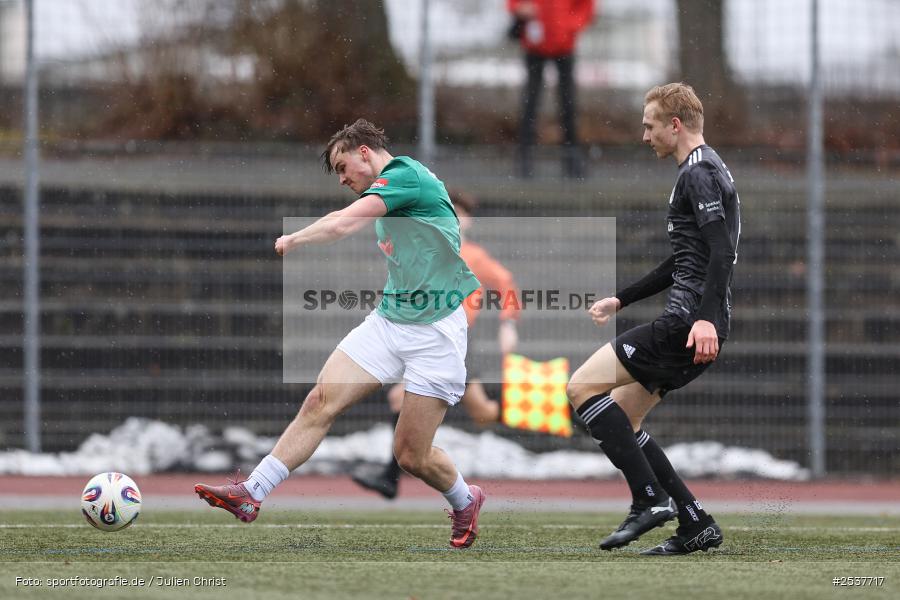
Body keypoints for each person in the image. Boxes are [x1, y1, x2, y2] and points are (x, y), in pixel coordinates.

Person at [195, 119, 487, 549]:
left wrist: (295, 239)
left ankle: (465, 499)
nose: (342, 179)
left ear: (364, 152)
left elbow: (341, 225)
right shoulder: (388, 189)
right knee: (320, 400)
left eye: (342, 166)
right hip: (390, 322)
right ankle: (252, 492)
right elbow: (344, 219)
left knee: (411, 455)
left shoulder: (405, 177)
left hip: (436, 332)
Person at [566, 82, 740, 554]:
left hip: (686, 324)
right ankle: (695, 521)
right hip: (694, 321)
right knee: (624, 416)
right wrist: (622, 299)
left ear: (675, 125)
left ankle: (648, 499)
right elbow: (686, 259)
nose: (645, 136)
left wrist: (705, 319)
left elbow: (722, 251)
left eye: (649, 126)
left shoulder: (698, 173)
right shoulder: (705, 167)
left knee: (581, 387)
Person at [352, 189, 520, 500]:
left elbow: (505, 283)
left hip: (453, 342)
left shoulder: (472, 256)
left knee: (399, 398)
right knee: (483, 412)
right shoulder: (427, 251)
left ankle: (390, 478)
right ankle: (548, 410)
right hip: (432, 339)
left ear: (468, 222)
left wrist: (507, 324)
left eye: (460, 215)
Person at [507, 0, 595, 178]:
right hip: (535, 44)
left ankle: (571, 158)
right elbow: (513, 4)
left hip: (564, 44)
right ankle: (525, 158)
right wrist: (519, 8)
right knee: (530, 103)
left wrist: (568, 26)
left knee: (568, 104)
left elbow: (586, 7)